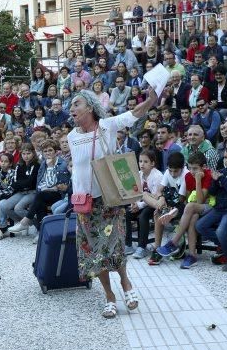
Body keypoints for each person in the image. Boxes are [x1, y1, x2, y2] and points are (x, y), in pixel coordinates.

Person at [64, 87, 158, 318]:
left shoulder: (107, 126)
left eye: (77, 104)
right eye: (71, 105)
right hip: (84, 202)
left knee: (113, 245)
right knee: (95, 251)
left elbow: (132, 114)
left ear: (89, 107)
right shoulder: (72, 136)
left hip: (109, 198)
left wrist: (151, 100)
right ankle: (109, 296)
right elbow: (78, 166)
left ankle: (125, 283)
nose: (72, 108)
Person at [125, 150, 163, 259]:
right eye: (140, 161)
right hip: (142, 203)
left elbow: (155, 197)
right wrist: (135, 204)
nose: (142, 164)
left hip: (154, 205)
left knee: (143, 216)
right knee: (126, 213)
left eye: (145, 161)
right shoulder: (139, 174)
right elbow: (136, 192)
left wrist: (140, 206)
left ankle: (142, 247)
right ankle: (128, 244)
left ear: (152, 163)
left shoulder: (157, 176)